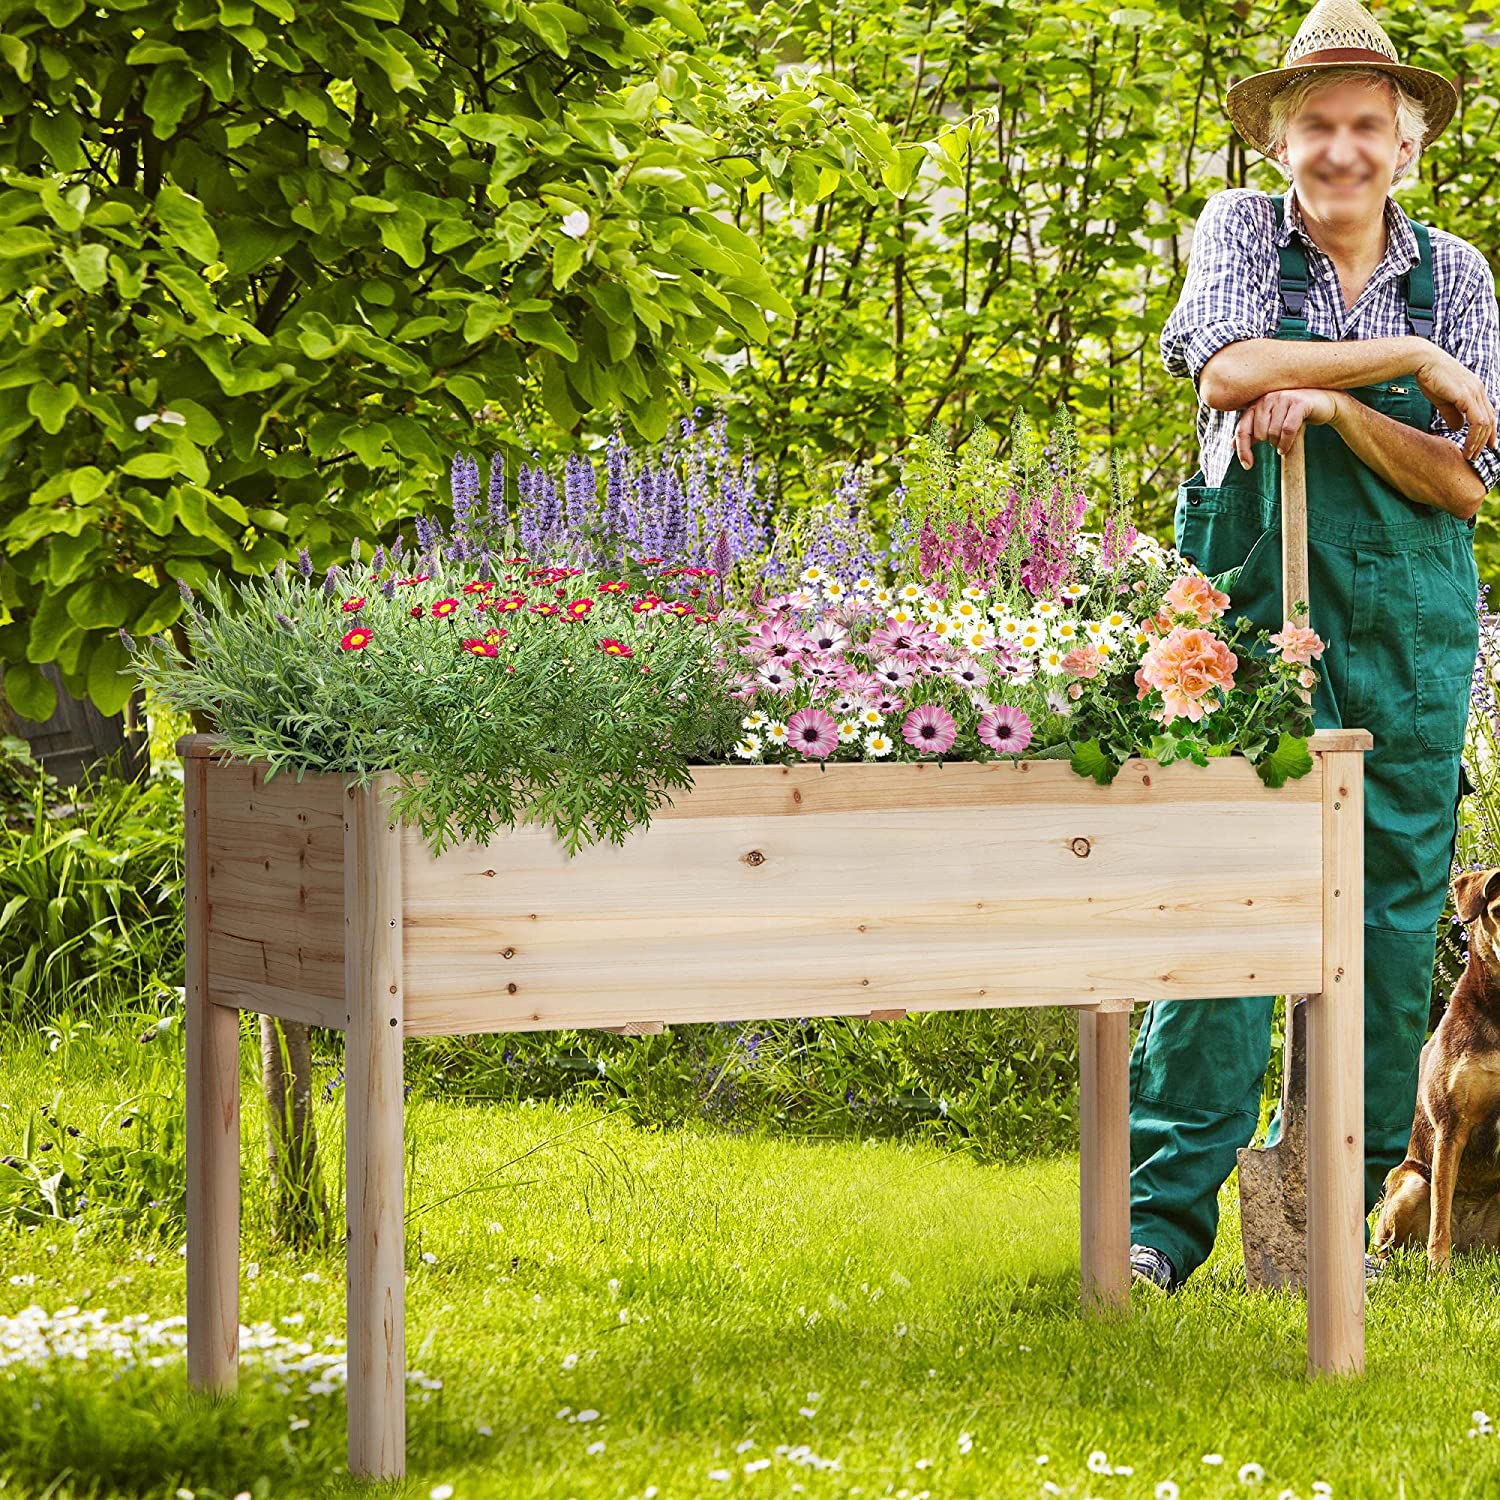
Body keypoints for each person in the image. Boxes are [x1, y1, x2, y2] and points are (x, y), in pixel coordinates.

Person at [1129, 0, 1500, 1293]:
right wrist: (1407, 362)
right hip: (1245, 616)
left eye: (1366, 125)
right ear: (1282, 142)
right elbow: (1225, 369)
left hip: (1407, 636)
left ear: (1404, 144)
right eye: (1316, 125)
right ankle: (1162, 1223)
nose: (1341, 149)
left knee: (1391, 930)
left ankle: (1316, 1227)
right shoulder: (1239, 232)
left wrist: (1341, 406)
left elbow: (1463, 484)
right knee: (1223, 905)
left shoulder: (1456, 272)